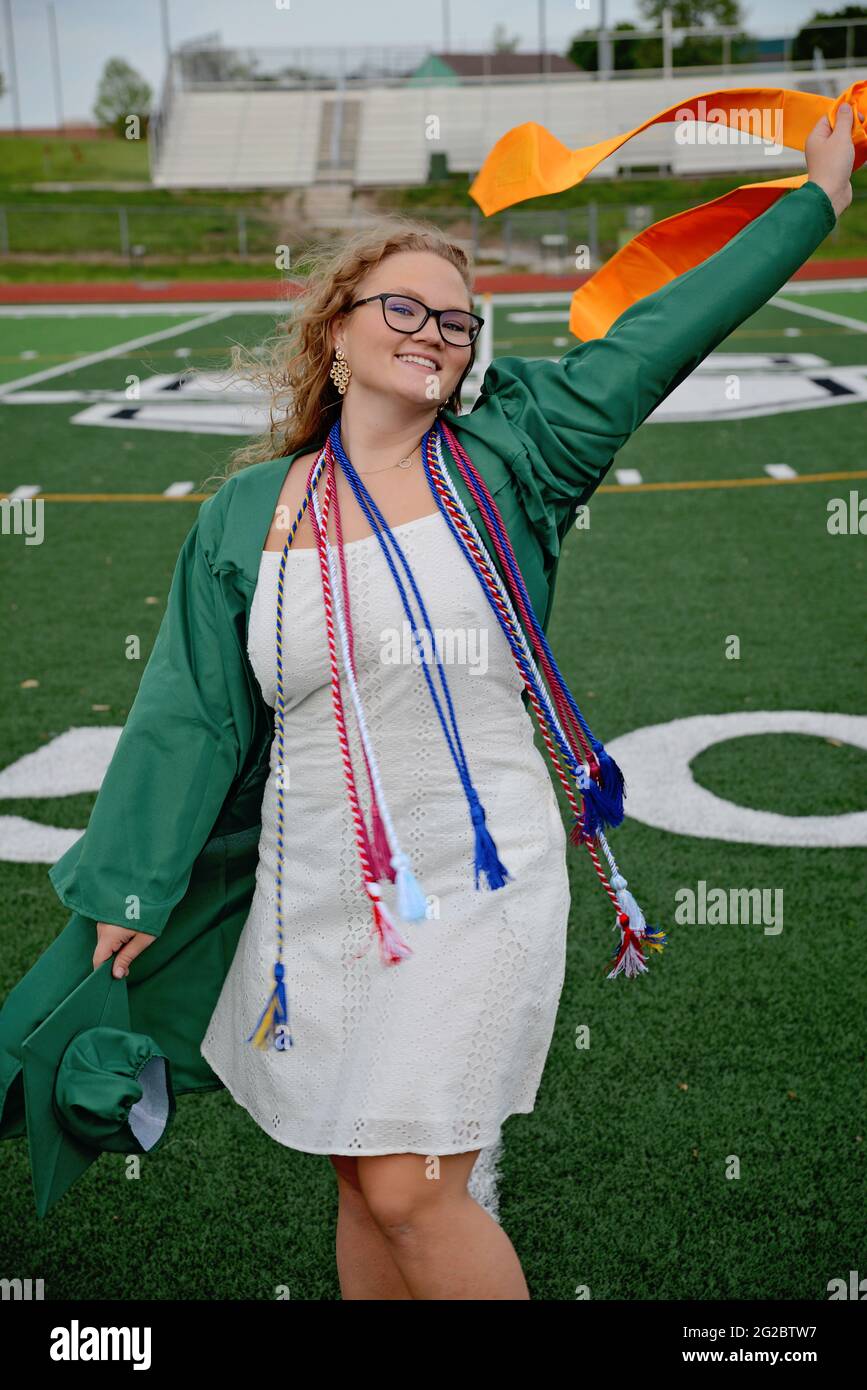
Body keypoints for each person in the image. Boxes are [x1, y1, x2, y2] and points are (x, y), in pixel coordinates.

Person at [87, 108, 855, 1301]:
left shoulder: (519, 456)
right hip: (315, 886)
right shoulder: (245, 516)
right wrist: (132, 881)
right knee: (358, 1176)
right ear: (336, 332)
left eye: (455, 319)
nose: (434, 331)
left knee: (411, 1184)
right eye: (402, 306)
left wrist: (817, 199)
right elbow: (190, 711)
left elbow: (663, 332)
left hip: (474, 875)